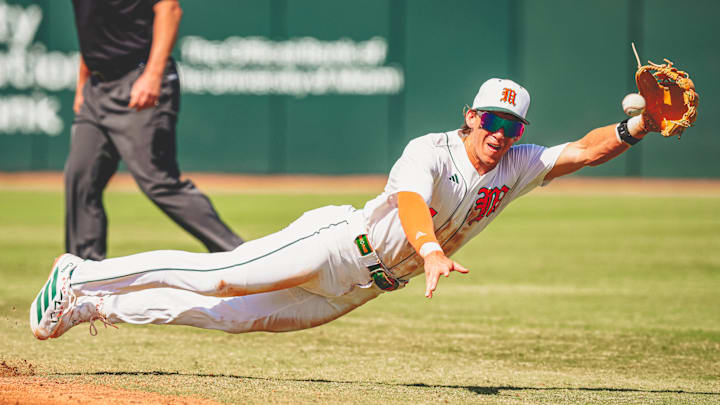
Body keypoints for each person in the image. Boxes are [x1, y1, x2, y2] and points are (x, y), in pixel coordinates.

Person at [31, 77, 652, 340]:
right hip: (336, 243)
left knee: (222, 316)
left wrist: (637, 127)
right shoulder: (430, 151)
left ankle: (92, 305)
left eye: (511, 126)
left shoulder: (517, 164)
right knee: (220, 274)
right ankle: (79, 272)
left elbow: (580, 151)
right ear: (470, 117)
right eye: (491, 119)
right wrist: (431, 248)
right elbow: (411, 201)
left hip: (360, 289)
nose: (500, 133)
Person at [66, 0, 243, 261]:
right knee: (80, 179)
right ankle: (84, 280)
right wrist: (82, 81)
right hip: (97, 86)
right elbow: (92, 28)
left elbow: (169, 9)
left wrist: (152, 75)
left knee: (159, 182)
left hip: (138, 78)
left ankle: (241, 257)